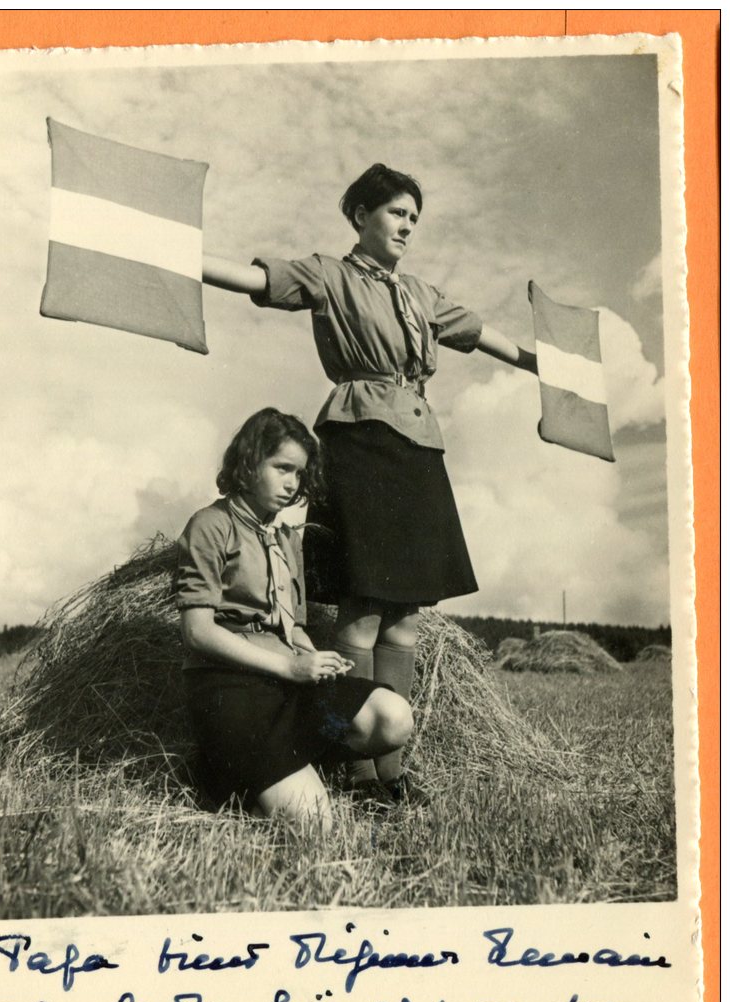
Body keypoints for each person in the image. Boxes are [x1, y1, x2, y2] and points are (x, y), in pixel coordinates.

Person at [201, 164, 538, 802]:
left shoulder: (421, 292)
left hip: (419, 452)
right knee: (359, 612)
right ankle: (357, 772)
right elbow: (258, 279)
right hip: (358, 445)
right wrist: (182, 258)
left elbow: (481, 334)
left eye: (414, 217)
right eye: (395, 213)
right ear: (361, 215)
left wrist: (541, 364)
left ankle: (393, 769)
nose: (407, 225)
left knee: (404, 619)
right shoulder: (330, 274)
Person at [176, 407, 414, 832]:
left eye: (299, 474)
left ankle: (283, 766)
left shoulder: (285, 539)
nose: (292, 484)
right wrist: (289, 665)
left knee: (393, 718)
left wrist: (314, 656)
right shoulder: (211, 525)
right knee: (315, 826)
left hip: (287, 684)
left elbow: (293, 626)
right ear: (248, 463)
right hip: (230, 689)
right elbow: (197, 632)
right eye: (282, 468)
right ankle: (226, 776)